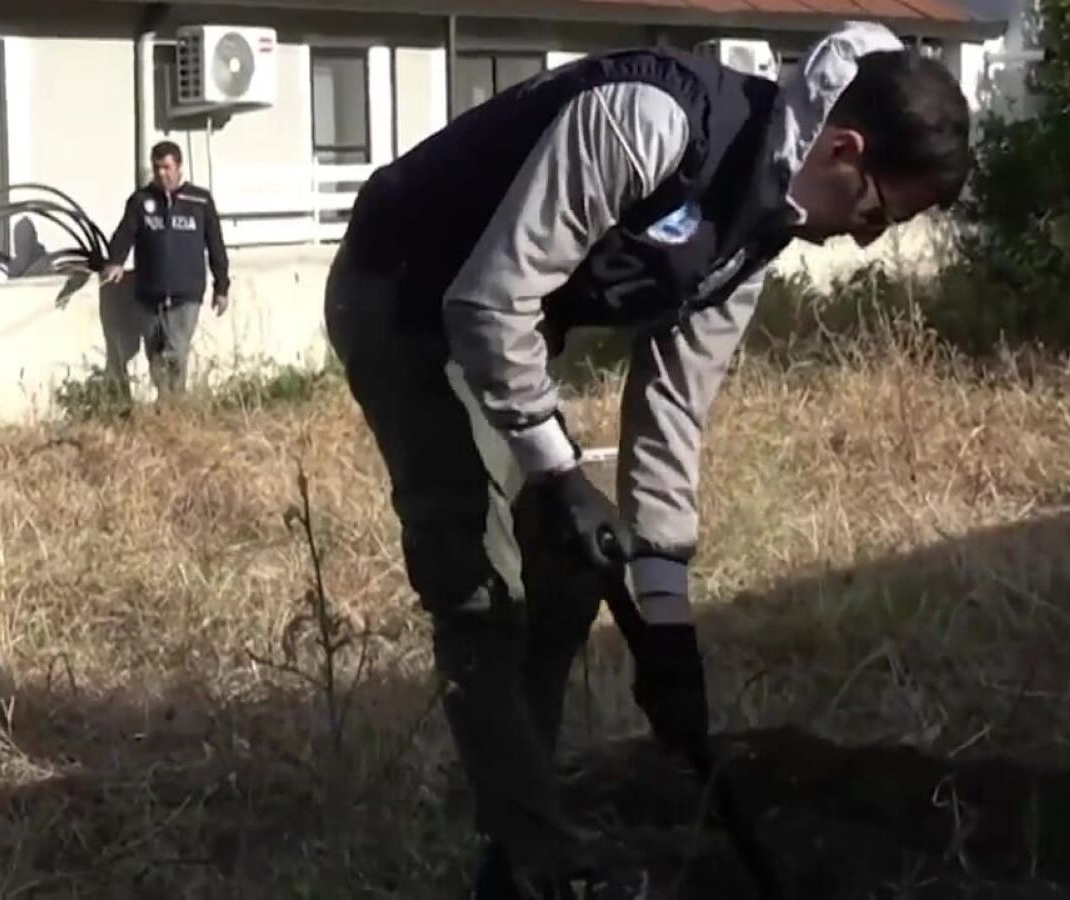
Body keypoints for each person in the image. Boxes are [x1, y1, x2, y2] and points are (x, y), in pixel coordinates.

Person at [323, 21, 972, 899]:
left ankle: (516, 831)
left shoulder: (757, 229)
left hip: (499, 327)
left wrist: (666, 626)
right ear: (845, 150)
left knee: (566, 575)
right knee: (477, 579)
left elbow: (672, 412)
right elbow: (489, 305)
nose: (865, 240)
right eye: (877, 215)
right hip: (404, 289)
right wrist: (559, 473)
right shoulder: (653, 124)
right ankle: (541, 862)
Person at [100, 140, 231, 399]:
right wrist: (115, 262)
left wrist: (221, 287)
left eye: (167, 167)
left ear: (179, 167)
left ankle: (175, 403)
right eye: (157, 168)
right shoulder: (141, 201)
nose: (162, 174)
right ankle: (166, 403)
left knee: (175, 352)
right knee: (155, 356)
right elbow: (125, 233)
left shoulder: (199, 201)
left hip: (186, 294)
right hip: (149, 294)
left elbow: (216, 245)